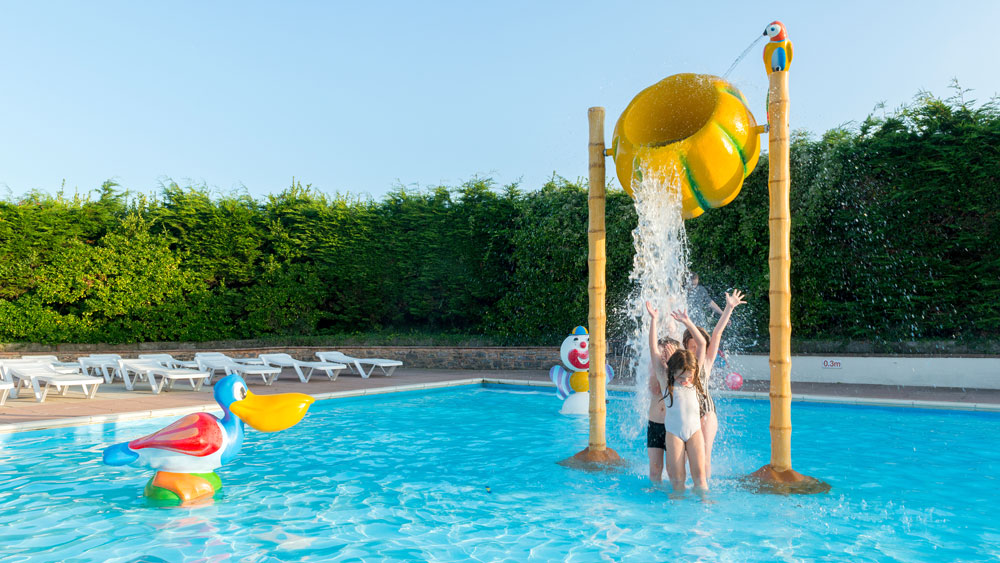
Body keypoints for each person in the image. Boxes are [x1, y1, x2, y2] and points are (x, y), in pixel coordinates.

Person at [682, 289, 747, 481]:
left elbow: (717, 332)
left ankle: (704, 492)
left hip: (706, 410)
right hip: (687, 411)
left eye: (697, 346)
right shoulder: (681, 363)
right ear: (685, 347)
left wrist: (729, 307)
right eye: (690, 347)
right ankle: (687, 485)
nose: (694, 351)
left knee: (704, 455)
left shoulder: (707, 361)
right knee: (686, 455)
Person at [646, 302, 708, 493]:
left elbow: (703, 344)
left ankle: (704, 503)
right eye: (681, 377)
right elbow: (653, 350)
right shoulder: (666, 380)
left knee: (700, 477)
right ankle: (676, 506)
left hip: (694, 431)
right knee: (677, 480)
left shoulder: (693, 374)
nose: (685, 381)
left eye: (688, 377)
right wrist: (654, 320)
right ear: (673, 373)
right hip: (673, 434)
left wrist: (687, 322)